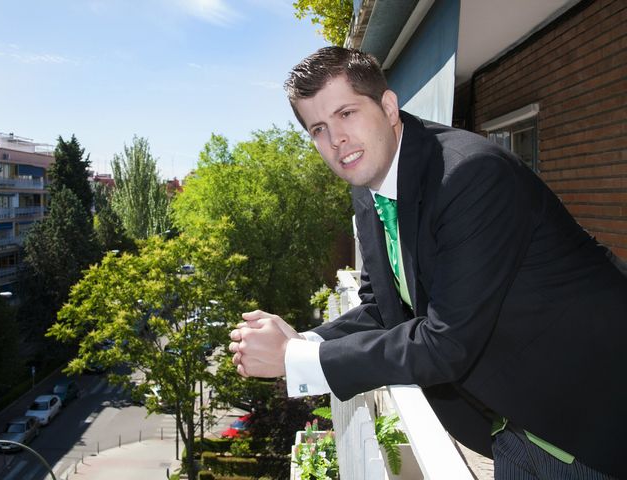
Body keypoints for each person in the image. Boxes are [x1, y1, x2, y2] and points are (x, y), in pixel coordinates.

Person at [229, 46, 627, 479]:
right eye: (318, 128)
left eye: (346, 113)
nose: (336, 138)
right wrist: (301, 341)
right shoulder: (369, 190)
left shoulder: (469, 175)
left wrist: (297, 362)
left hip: (596, 415)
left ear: (388, 106)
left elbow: (446, 342)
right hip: (516, 423)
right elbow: (384, 309)